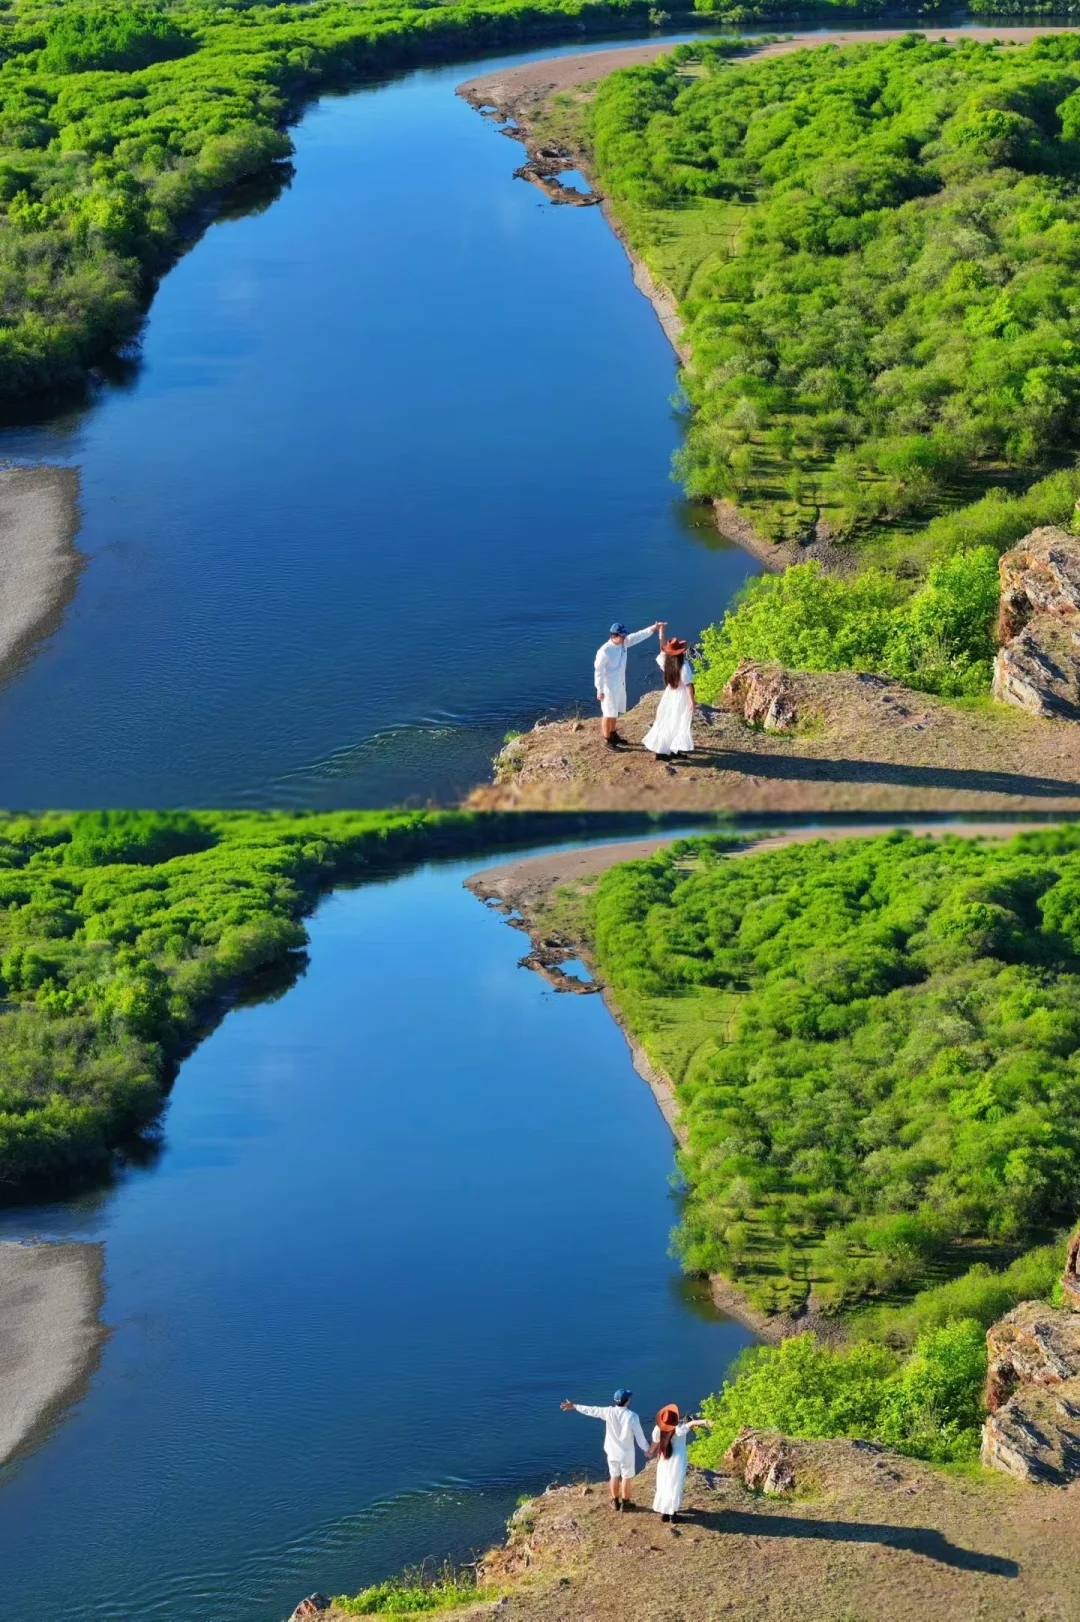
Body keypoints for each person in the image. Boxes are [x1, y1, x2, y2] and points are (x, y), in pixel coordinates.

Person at [560, 1389, 649, 1509]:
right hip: (626, 1453)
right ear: (627, 1401)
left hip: (612, 1452)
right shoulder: (632, 1416)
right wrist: (646, 1449)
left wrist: (574, 1406)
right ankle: (625, 1503)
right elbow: (639, 1435)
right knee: (626, 1477)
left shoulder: (608, 1412)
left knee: (614, 1475)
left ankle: (615, 1502)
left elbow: (592, 1410)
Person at [594, 622, 662, 749]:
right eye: (622, 636)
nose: (624, 638)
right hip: (608, 687)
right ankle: (607, 740)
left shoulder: (623, 643)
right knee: (608, 713)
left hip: (620, 684)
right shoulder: (604, 651)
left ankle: (613, 734)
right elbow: (598, 671)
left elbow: (638, 636)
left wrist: (654, 628)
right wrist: (599, 689)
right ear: (614, 636)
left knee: (615, 712)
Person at [647, 1404, 711, 1523]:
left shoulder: (658, 1429)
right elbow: (691, 1424)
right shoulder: (679, 1429)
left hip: (664, 1460)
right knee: (675, 1486)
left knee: (663, 1485)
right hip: (677, 1462)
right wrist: (705, 1421)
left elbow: (655, 1443)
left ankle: (664, 1513)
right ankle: (673, 1514)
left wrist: (650, 1452)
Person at [641, 629, 695, 761]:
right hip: (681, 697)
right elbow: (688, 685)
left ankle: (667, 750)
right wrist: (692, 702)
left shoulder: (666, 661)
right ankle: (671, 750)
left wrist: (661, 634)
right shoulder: (683, 666)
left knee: (666, 720)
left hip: (670, 694)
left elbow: (662, 649)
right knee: (679, 722)